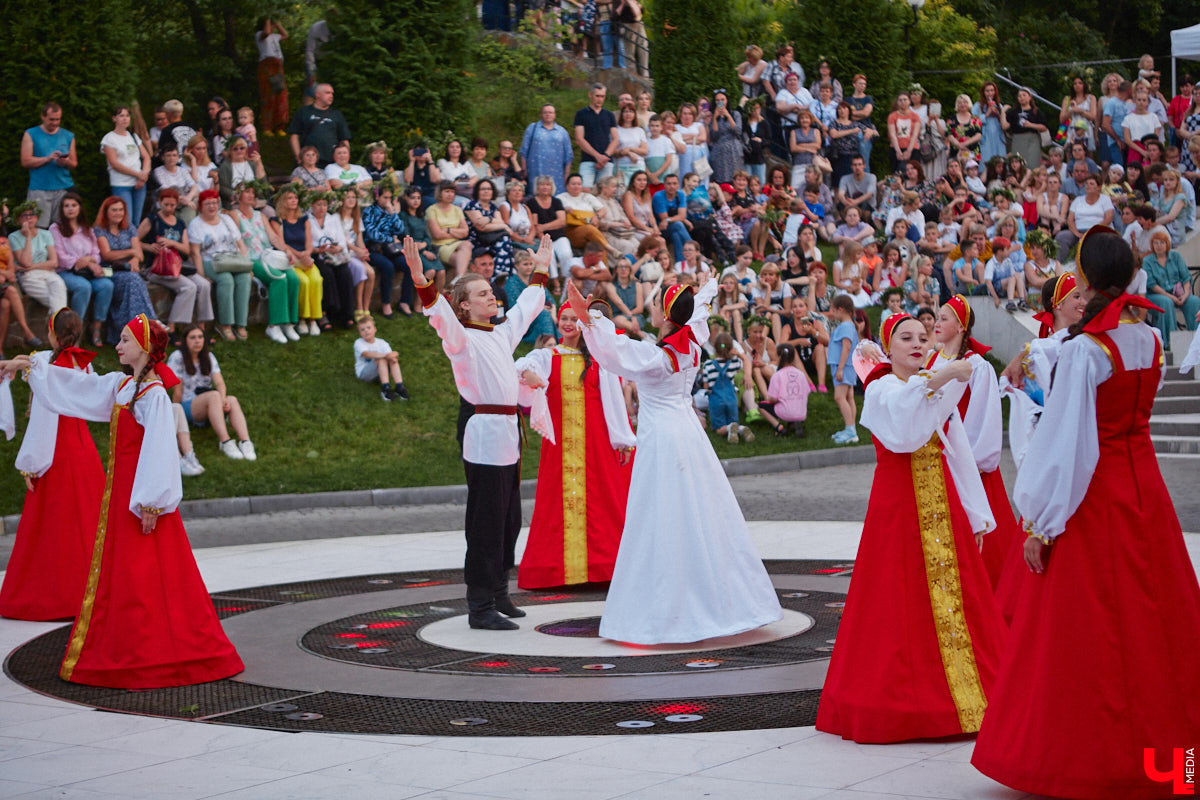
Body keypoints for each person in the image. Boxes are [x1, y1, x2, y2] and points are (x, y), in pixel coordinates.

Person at [972, 228, 1200, 798]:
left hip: (1096, 497)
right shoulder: (1149, 339)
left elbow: (1068, 443)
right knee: (1157, 622)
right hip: (1146, 491)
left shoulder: (1085, 350)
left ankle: (1090, 759)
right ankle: (1175, 761)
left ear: (1086, 278)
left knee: (1091, 629)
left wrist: (1040, 524)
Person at [4, 315, 244, 689]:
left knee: (145, 571)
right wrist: (29, 364)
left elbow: (160, 450)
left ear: (145, 349)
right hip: (120, 497)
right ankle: (123, 644)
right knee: (120, 573)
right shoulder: (123, 386)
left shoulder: (154, 395)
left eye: (126, 340)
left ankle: (155, 653)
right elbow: (76, 388)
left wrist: (151, 502)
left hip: (142, 500)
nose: (118, 346)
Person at [817, 313, 1004, 743]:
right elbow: (903, 432)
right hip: (898, 506)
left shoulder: (928, 384)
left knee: (956, 599)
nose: (917, 344)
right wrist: (942, 380)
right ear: (890, 346)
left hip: (942, 499)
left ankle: (965, 697)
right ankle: (903, 704)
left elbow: (957, 450)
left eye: (923, 337)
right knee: (896, 601)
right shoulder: (882, 389)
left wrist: (976, 515)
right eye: (906, 338)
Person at [567, 277, 783, 643]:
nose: (650, 308)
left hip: (663, 439)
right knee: (702, 512)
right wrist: (707, 292)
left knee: (661, 514)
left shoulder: (656, 357)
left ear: (666, 315)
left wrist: (591, 318)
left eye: (655, 304)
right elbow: (695, 315)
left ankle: (669, 612)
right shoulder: (692, 343)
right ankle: (724, 600)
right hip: (689, 434)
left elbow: (614, 351)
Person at [401, 233, 555, 630]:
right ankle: (479, 605)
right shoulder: (462, 340)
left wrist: (541, 267)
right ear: (464, 304)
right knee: (485, 521)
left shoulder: (500, 334)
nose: (492, 296)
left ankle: (500, 590)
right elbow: (440, 318)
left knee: (508, 518)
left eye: (491, 291)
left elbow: (526, 305)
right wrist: (420, 278)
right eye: (482, 293)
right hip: (485, 433)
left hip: (508, 432)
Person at [515, 300, 635, 588]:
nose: (567, 324)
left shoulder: (599, 360)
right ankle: (555, 569)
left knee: (603, 499)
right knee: (556, 500)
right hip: (560, 445)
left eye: (573, 319)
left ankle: (604, 565)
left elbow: (614, 401)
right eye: (563, 318)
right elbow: (523, 363)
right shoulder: (548, 356)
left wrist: (622, 438)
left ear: (584, 325)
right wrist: (528, 374)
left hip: (595, 442)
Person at [0, 310, 102, 621]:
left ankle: (53, 597)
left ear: (51, 333)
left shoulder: (47, 368)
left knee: (52, 527)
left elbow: (45, 420)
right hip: (83, 449)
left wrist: (32, 463)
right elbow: (34, 359)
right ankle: (94, 594)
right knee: (88, 523)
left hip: (55, 452)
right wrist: (18, 362)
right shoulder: (83, 364)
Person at [137, 188, 215, 344]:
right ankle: (172, 328)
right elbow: (134, 240)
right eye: (166, 204)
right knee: (189, 287)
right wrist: (148, 247)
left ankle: (201, 326)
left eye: (172, 205)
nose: (169, 208)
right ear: (160, 203)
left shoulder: (180, 223)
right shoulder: (152, 219)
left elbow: (187, 250)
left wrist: (172, 243)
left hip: (178, 266)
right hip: (158, 268)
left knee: (204, 284)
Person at [226, 182, 299, 343]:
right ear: (238, 196)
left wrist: (286, 251)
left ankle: (289, 323)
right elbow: (236, 242)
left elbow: (273, 237)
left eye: (253, 192)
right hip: (250, 259)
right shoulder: (234, 215)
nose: (251, 195)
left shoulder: (261, 215)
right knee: (278, 278)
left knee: (293, 278)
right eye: (247, 192)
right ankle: (273, 326)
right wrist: (245, 265)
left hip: (268, 256)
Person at [185, 190, 251, 341]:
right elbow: (195, 253)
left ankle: (240, 324)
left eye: (214, 202)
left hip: (232, 258)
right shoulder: (196, 224)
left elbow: (240, 243)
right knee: (226, 280)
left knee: (244, 278)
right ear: (200, 206)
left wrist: (247, 265)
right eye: (207, 203)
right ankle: (225, 324)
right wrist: (202, 276)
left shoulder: (226, 219)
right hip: (210, 261)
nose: (212, 206)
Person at [49, 194, 113, 347]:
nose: (70, 209)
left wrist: (90, 262)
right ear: (62, 209)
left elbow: (96, 253)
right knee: (83, 287)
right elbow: (61, 257)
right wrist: (87, 262)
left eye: (74, 205)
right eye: (66, 206)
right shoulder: (56, 228)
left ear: (79, 208)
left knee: (106, 285)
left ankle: (96, 328)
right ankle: (75, 331)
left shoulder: (87, 229)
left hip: (87, 272)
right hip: (65, 271)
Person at [270, 184, 324, 334]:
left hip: (305, 258)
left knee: (316, 280)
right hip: (291, 260)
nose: (293, 201)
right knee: (304, 282)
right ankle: (301, 318)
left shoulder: (304, 220)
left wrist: (307, 253)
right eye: (289, 198)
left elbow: (309, 242)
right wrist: (300, 255)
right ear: (282, 201)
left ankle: (313, 320)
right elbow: (282, 243)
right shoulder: (277, 221)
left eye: (295, 198)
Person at [21, 102, 78, 227]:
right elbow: (25, 161)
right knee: (39, 228)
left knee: (63, 227)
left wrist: (64, 162)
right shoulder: (31, 134)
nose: (55, 123)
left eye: (58, 119)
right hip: (40, 188)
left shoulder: (68, 135)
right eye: (51, 119)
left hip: (63, 188)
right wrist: (47, 159)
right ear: (43, 116)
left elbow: (74, 164)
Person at [307, 192, 358, 329]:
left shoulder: (333, 219)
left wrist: (338, 248)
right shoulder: (308, 220)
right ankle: (327, 312)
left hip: (335, 254)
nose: (321, 208)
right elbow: (307, 244)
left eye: (324, 205)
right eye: (318, 205)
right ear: (312, 206)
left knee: (345, 273)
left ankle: (347, 314)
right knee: (327, 274)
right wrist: (319, 249)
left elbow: (341, 239)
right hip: (317, 255)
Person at [1143, 230, 1200, 343]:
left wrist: (1186, 295)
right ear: (1152, 245)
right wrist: (1170, 297)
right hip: (1157, 294)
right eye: (1156, 243)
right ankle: (1169, 342)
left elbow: (1186, 278)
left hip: (1178, 293)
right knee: (1166, 302)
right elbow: (1152, 285)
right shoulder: (1147, 261)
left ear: (1167, 244)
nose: (1159, 246)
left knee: (1194, 301)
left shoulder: (1175, 256)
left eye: (1162, 243)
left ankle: (1196, 339)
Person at [699, 331, 755, 443]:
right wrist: (738, 354)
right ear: (731, 348)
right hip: (731, 398)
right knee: (733, 420)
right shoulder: (734, 362)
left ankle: (730, 428)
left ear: (714, 348)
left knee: (719, 428)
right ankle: (740, 428)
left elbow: (706, 386)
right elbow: (745, 360)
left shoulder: (708, 365)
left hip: (716, 400)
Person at [101, 106, 152, 225]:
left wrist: (144, 175)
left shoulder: (133, 136)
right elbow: (114, 164)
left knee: (136, 220)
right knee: (125, 220)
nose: (125, 119)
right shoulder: (109, 139)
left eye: (127, 116)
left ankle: (134, 242)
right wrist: (138, 174)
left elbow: (146, 157)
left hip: (139, 184)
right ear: (114, 118)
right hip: (121, 184)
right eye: (121, 116)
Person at [288, 83, 350, 167]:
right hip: (309, 161)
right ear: (318, 95)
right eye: (327, 93)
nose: (331, 96)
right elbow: (294, 136)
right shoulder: (303, 112)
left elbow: (344, 139)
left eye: (332, 93)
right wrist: (298, 156)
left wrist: (345, 159)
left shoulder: (337, 114)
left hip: (332, 162)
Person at [519, 104, 574, 195]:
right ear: (541, 114)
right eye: (545, 112)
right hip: (536, 170)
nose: (548, 114)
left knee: (556, 198)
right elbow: (524, 150)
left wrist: (566, 175)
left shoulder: (562, 132)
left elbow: (568, 156)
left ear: (555, 114)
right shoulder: (533, 128)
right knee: (536, 196)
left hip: (557, 173)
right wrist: (524, 169)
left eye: (550, 112)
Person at [827, 294, 859, 444]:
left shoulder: (845, 326)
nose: (831, 313)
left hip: (844, 366)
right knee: (848, 397)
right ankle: (851, 429)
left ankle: (850, 430)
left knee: (839, 397)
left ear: (840, 309)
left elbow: (846, 347)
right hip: (847, 366)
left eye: (832, 310)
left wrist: (840, 369)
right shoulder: (849, 325)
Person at [354, 315, 408, 401]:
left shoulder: (382, 342)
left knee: (393, 360)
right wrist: (385, 356)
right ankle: (385, 388)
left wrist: (393, 356)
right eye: (362, 330)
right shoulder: (359, 343)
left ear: (375, 329)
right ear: (360, 333)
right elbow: (366, 354)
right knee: (382, 360)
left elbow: (391, 355)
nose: (366, 331)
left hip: (380, 371)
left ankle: (399, 387)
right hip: (364, 373)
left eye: (368, 328)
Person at [574, 85, 619, 188]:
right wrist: (597, 156)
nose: (600, 99)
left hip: (606, 162)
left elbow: (615, 139)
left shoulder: (609, 115)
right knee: (585, 190)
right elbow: (579, 139)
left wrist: (605, 157)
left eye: (602, 96)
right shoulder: (581, 114)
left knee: (604, 192)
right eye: (597, 96)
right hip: (587, 160)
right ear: (590, 95)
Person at [427, 181, 474, 279]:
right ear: (439, 193)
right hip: (440, 246)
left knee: (467, 244)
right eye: (447, 191)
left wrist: (447, 230)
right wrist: (457, 232)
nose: (450, 194)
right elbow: (437, 235)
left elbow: (465, 232)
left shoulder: (457, 209)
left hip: (457, 245)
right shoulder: (431, 210)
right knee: (461, 260)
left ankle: (458, 278)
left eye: (452, 192)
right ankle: (458, 281)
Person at [255, 18, 290, 133]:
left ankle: (279, 126)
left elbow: (285, 35)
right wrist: (267, 20)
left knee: (281, 97)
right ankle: (267, 127)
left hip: (277, 65)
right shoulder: (259, 34)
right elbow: (266, 33)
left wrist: (278, 25)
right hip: (267, 65)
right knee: (268, 97)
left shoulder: (275, 36)